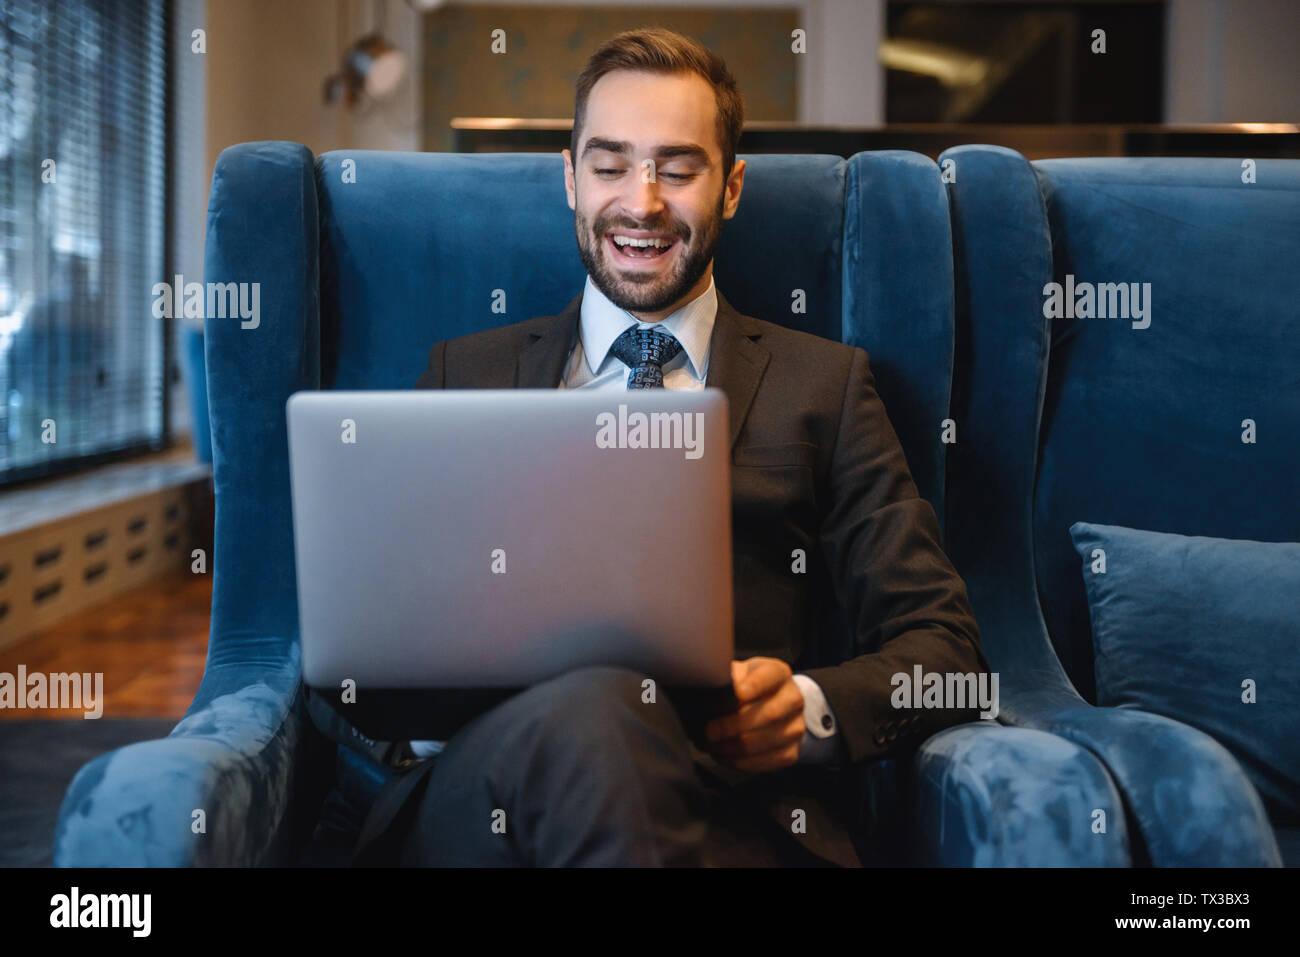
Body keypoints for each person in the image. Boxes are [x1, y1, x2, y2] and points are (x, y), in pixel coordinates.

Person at [310, 26, 988, 868]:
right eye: (610, 165)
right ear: (570, 178)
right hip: (488, 802)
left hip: (736, 812)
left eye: (677, 167)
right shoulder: (465, 374)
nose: (643, 202)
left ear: (731, 187)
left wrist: (808, 708)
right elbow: (347, 657)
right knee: (595, 709)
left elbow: (949, 650)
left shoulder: (827, 386)